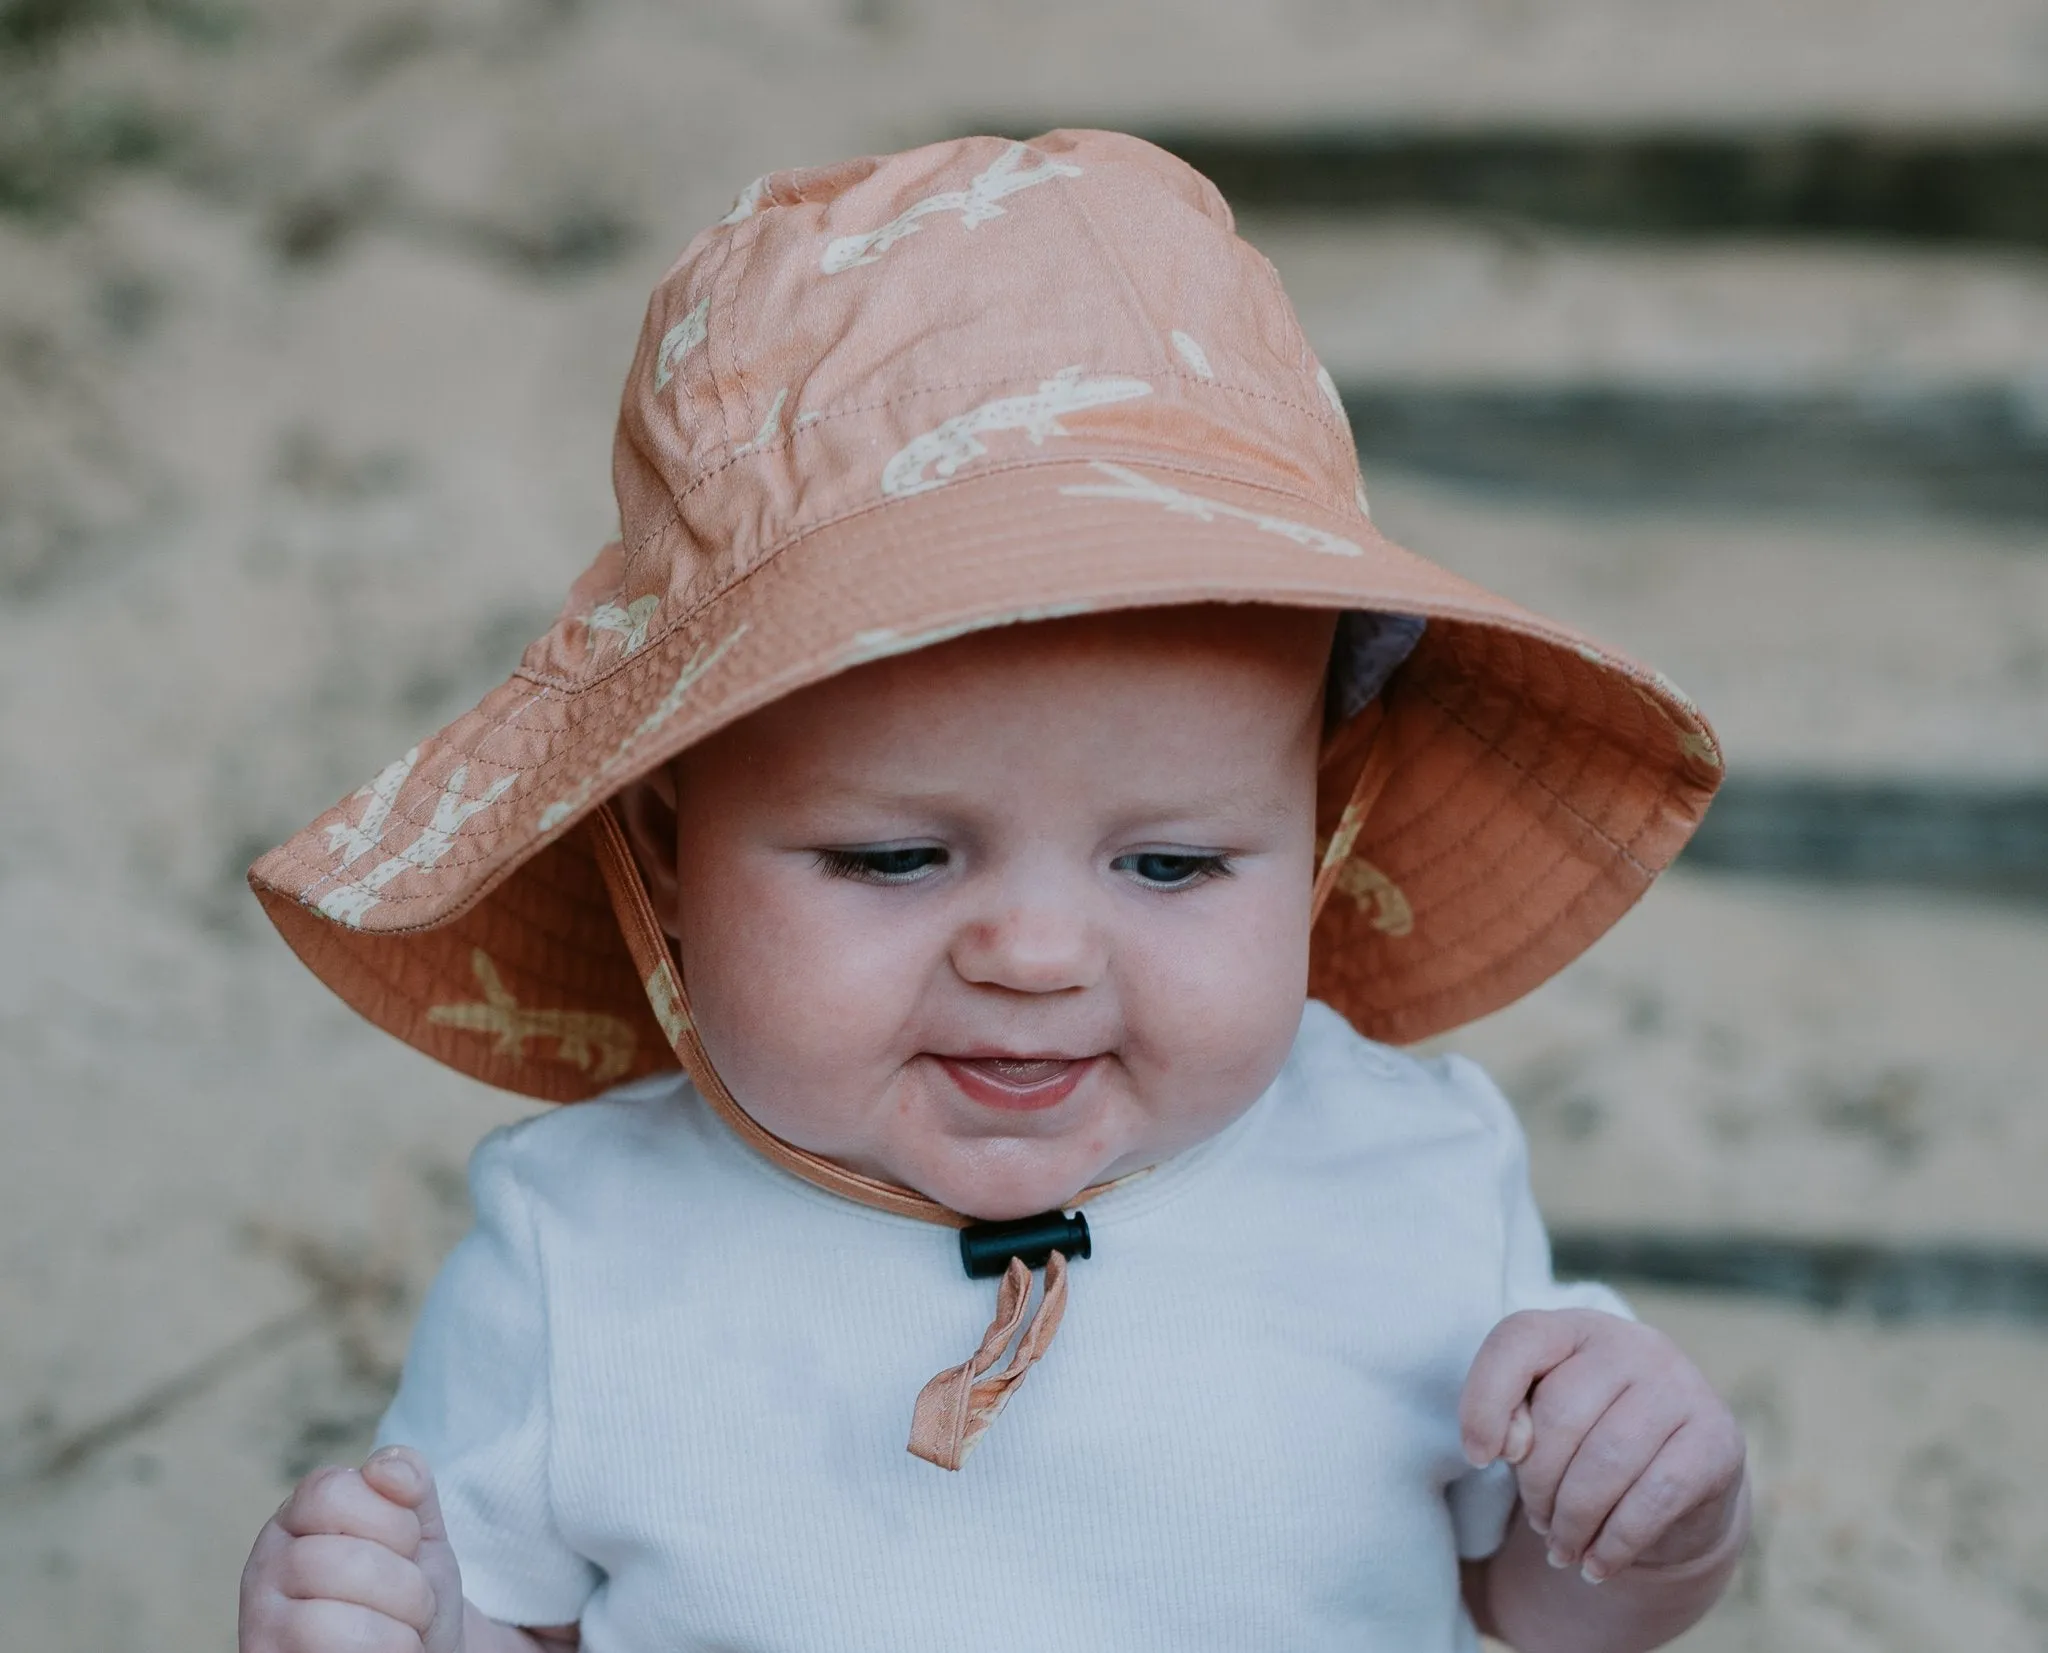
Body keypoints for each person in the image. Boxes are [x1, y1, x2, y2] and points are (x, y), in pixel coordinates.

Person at [237, 130, 1747, 1653]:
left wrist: (1653, 1519)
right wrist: (415, 1622)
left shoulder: (1412, 1174)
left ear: (1321, 837)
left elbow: (1541, 1610)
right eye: (895, 857)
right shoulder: (580, 1252)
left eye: (1170, 863)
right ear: (664, 849)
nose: (1033, 955)